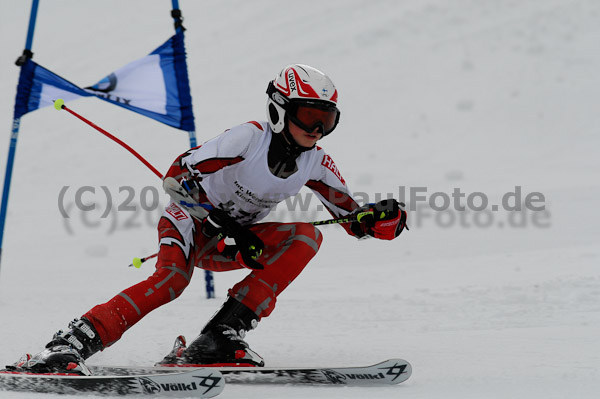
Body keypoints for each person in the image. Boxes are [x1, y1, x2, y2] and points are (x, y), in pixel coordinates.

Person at [10, 64, 407, 375]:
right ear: (278, 109)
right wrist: (227, 226)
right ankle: (70, 344)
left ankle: (219, 336)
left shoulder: (316, 163)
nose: (316, 130)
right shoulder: (248, 138)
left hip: (231, 242)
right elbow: (178, 176)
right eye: (308, 116)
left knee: (305, 236)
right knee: (171, 282)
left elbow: (355, 222)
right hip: (189, 221)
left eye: (327, 120)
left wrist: (383, 218)